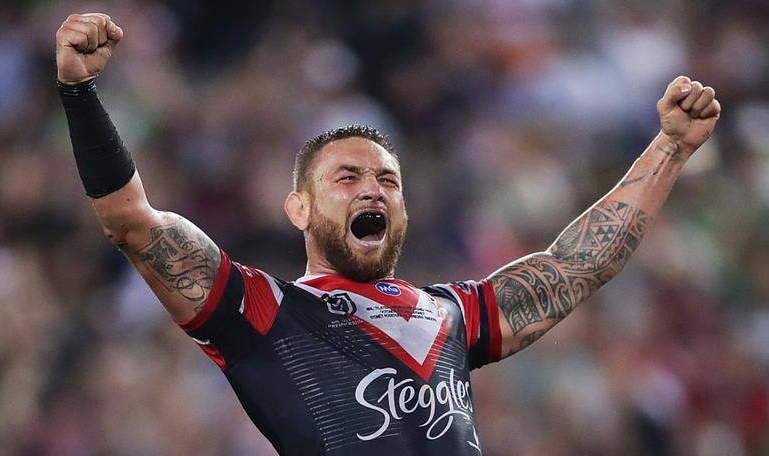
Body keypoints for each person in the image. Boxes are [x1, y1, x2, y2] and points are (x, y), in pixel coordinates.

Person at [56, 12, 721, 456]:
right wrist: (79, 94)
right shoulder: (260, 311)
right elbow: (131, 221)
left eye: (387, 180)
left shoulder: (455, 315)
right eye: (345, 177)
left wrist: (668, 148)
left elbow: (576, 266)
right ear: (297, 210)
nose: (372, 188)